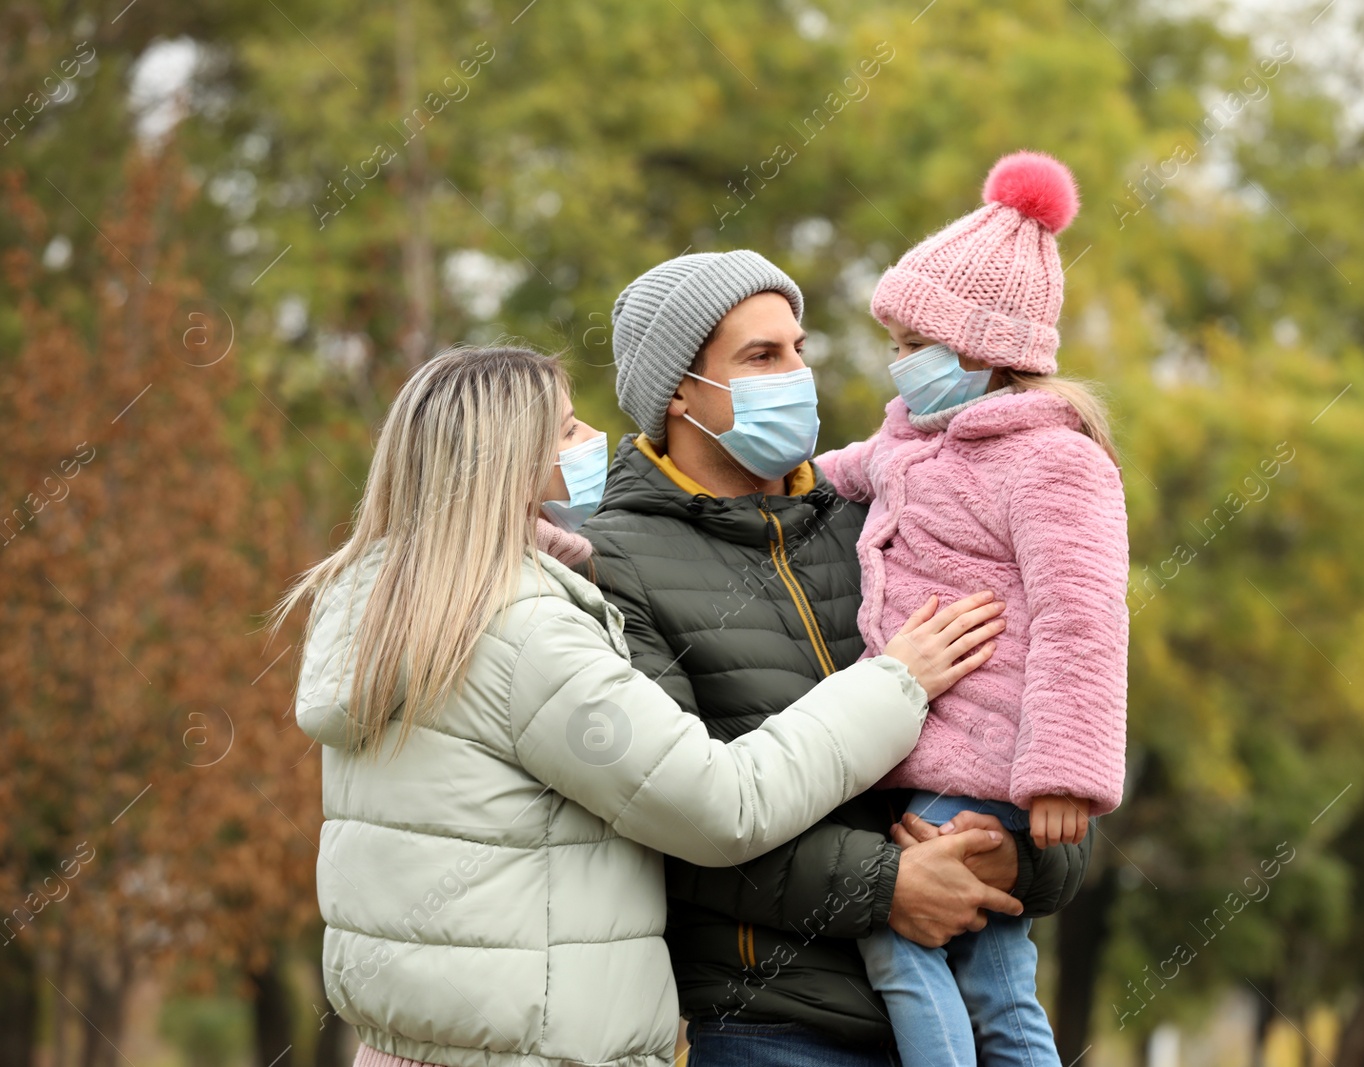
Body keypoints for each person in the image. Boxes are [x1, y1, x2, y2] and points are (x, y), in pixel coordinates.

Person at [271, 345, 1010, 1067]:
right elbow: (722, 804)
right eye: (565, 430)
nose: (598, 440)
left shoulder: (388, 614)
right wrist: (896, 681)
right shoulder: (523, 633)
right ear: (504, 467)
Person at [582, 251, 1095, 1066]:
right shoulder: (610, 564)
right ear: (679, 389)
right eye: (761, 356)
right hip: (776, 1028)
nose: (797, 373)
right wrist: (889, 888)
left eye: (799, 347)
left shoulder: (878, 515)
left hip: (962, 1002)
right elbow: (669, 818)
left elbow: (1030, 714)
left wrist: (1022, 854)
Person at [814, 151, 1130, 1067]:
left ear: (981, 347)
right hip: (933, 749)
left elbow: (1084, 613)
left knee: (900, 933)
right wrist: (771, 480)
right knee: (995, 980)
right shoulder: (913, 438)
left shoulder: (1053, 460)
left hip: (996, 756)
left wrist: (1065, 770)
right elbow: (838, 473)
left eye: (913, 343)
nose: (898, 362)